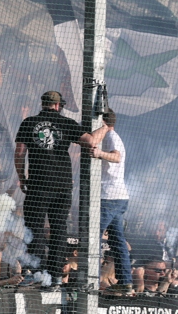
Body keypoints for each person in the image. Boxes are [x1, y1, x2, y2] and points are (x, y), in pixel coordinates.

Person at [14, 91, 110, 288]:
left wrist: (22, 177)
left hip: (38, 184)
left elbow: (20, 152)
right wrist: (106, 127)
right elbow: (90, 141)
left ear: (43, 104)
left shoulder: (29, 122)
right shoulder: (67, 123)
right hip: (63, 186)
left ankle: (37, 272)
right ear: (58, 106)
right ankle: (56, 276)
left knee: (35, 228)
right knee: (59, 230)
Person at [91, 109, 133, 294]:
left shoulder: (110, 136)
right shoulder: (113, 136)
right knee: (117, 241)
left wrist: (99, 153)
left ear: (103, 122)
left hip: (109, 197)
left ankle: (90, 280)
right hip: (118, 197)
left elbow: (116, 157)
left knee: (93, 237)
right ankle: (125, 281)